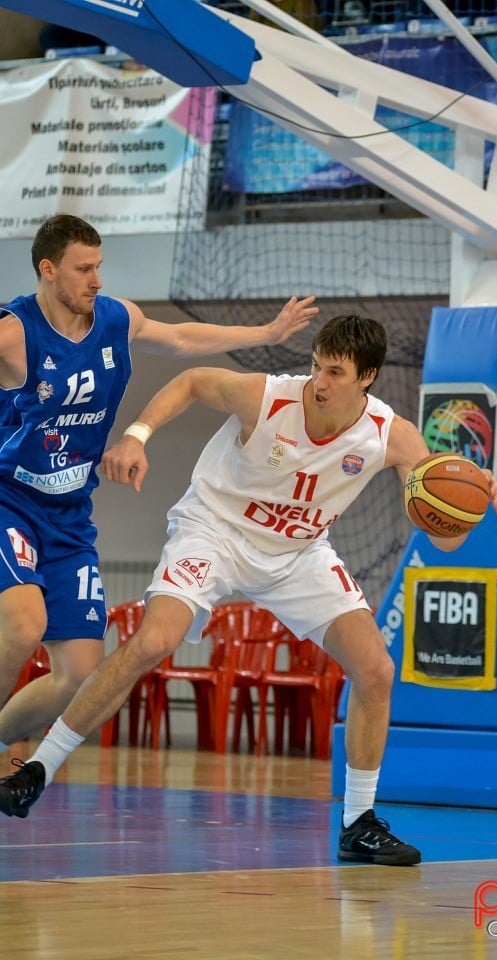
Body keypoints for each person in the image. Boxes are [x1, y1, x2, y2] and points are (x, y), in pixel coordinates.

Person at [0, 313, 497, 864]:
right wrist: (138, 436)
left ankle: (358, 822)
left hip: (298, 553)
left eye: (335, 371)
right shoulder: (268, 397)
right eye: (316, 366)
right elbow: (191, 381)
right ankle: (40, 769)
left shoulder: (392, 435)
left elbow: (443, 539)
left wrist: (467, 506)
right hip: (214, 532)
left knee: (377, 670)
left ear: (369, 377)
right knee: (152, 641)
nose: (321, 381)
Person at [0, 213, 317, 757]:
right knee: (23, 622)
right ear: (48, 271)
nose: (97, 279)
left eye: (99, 266)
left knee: (78, 677)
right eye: (83, 269)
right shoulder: (12, 333)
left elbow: (180, 337)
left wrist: (263, 334)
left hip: (70, 515)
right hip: (9, 500)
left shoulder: (116, 319)